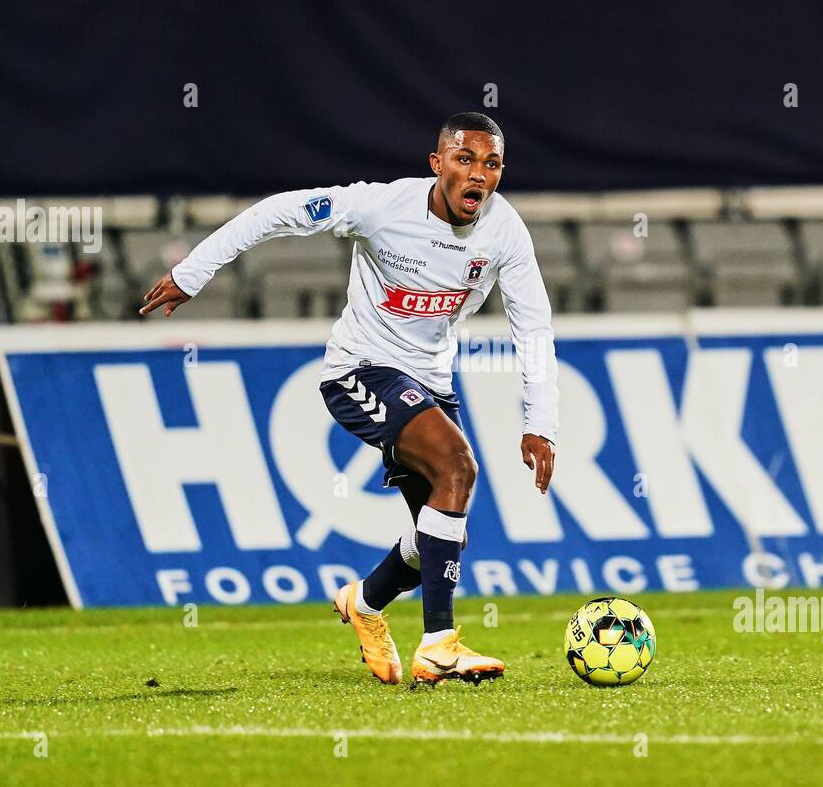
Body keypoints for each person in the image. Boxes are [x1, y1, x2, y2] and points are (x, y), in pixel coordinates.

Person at [140, 112, 558, 684]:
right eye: (464, 160)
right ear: (436, 165)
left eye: (491, 164)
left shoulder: (505, 231)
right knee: (458, 466)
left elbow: (532, 327)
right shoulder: (380, 207)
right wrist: (192, 272)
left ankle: (363, 602)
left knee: (436, 536)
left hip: (431, 382)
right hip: (359, 370)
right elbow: (274, 213)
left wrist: (542, 422)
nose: (477, 175)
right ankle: (440, 644)